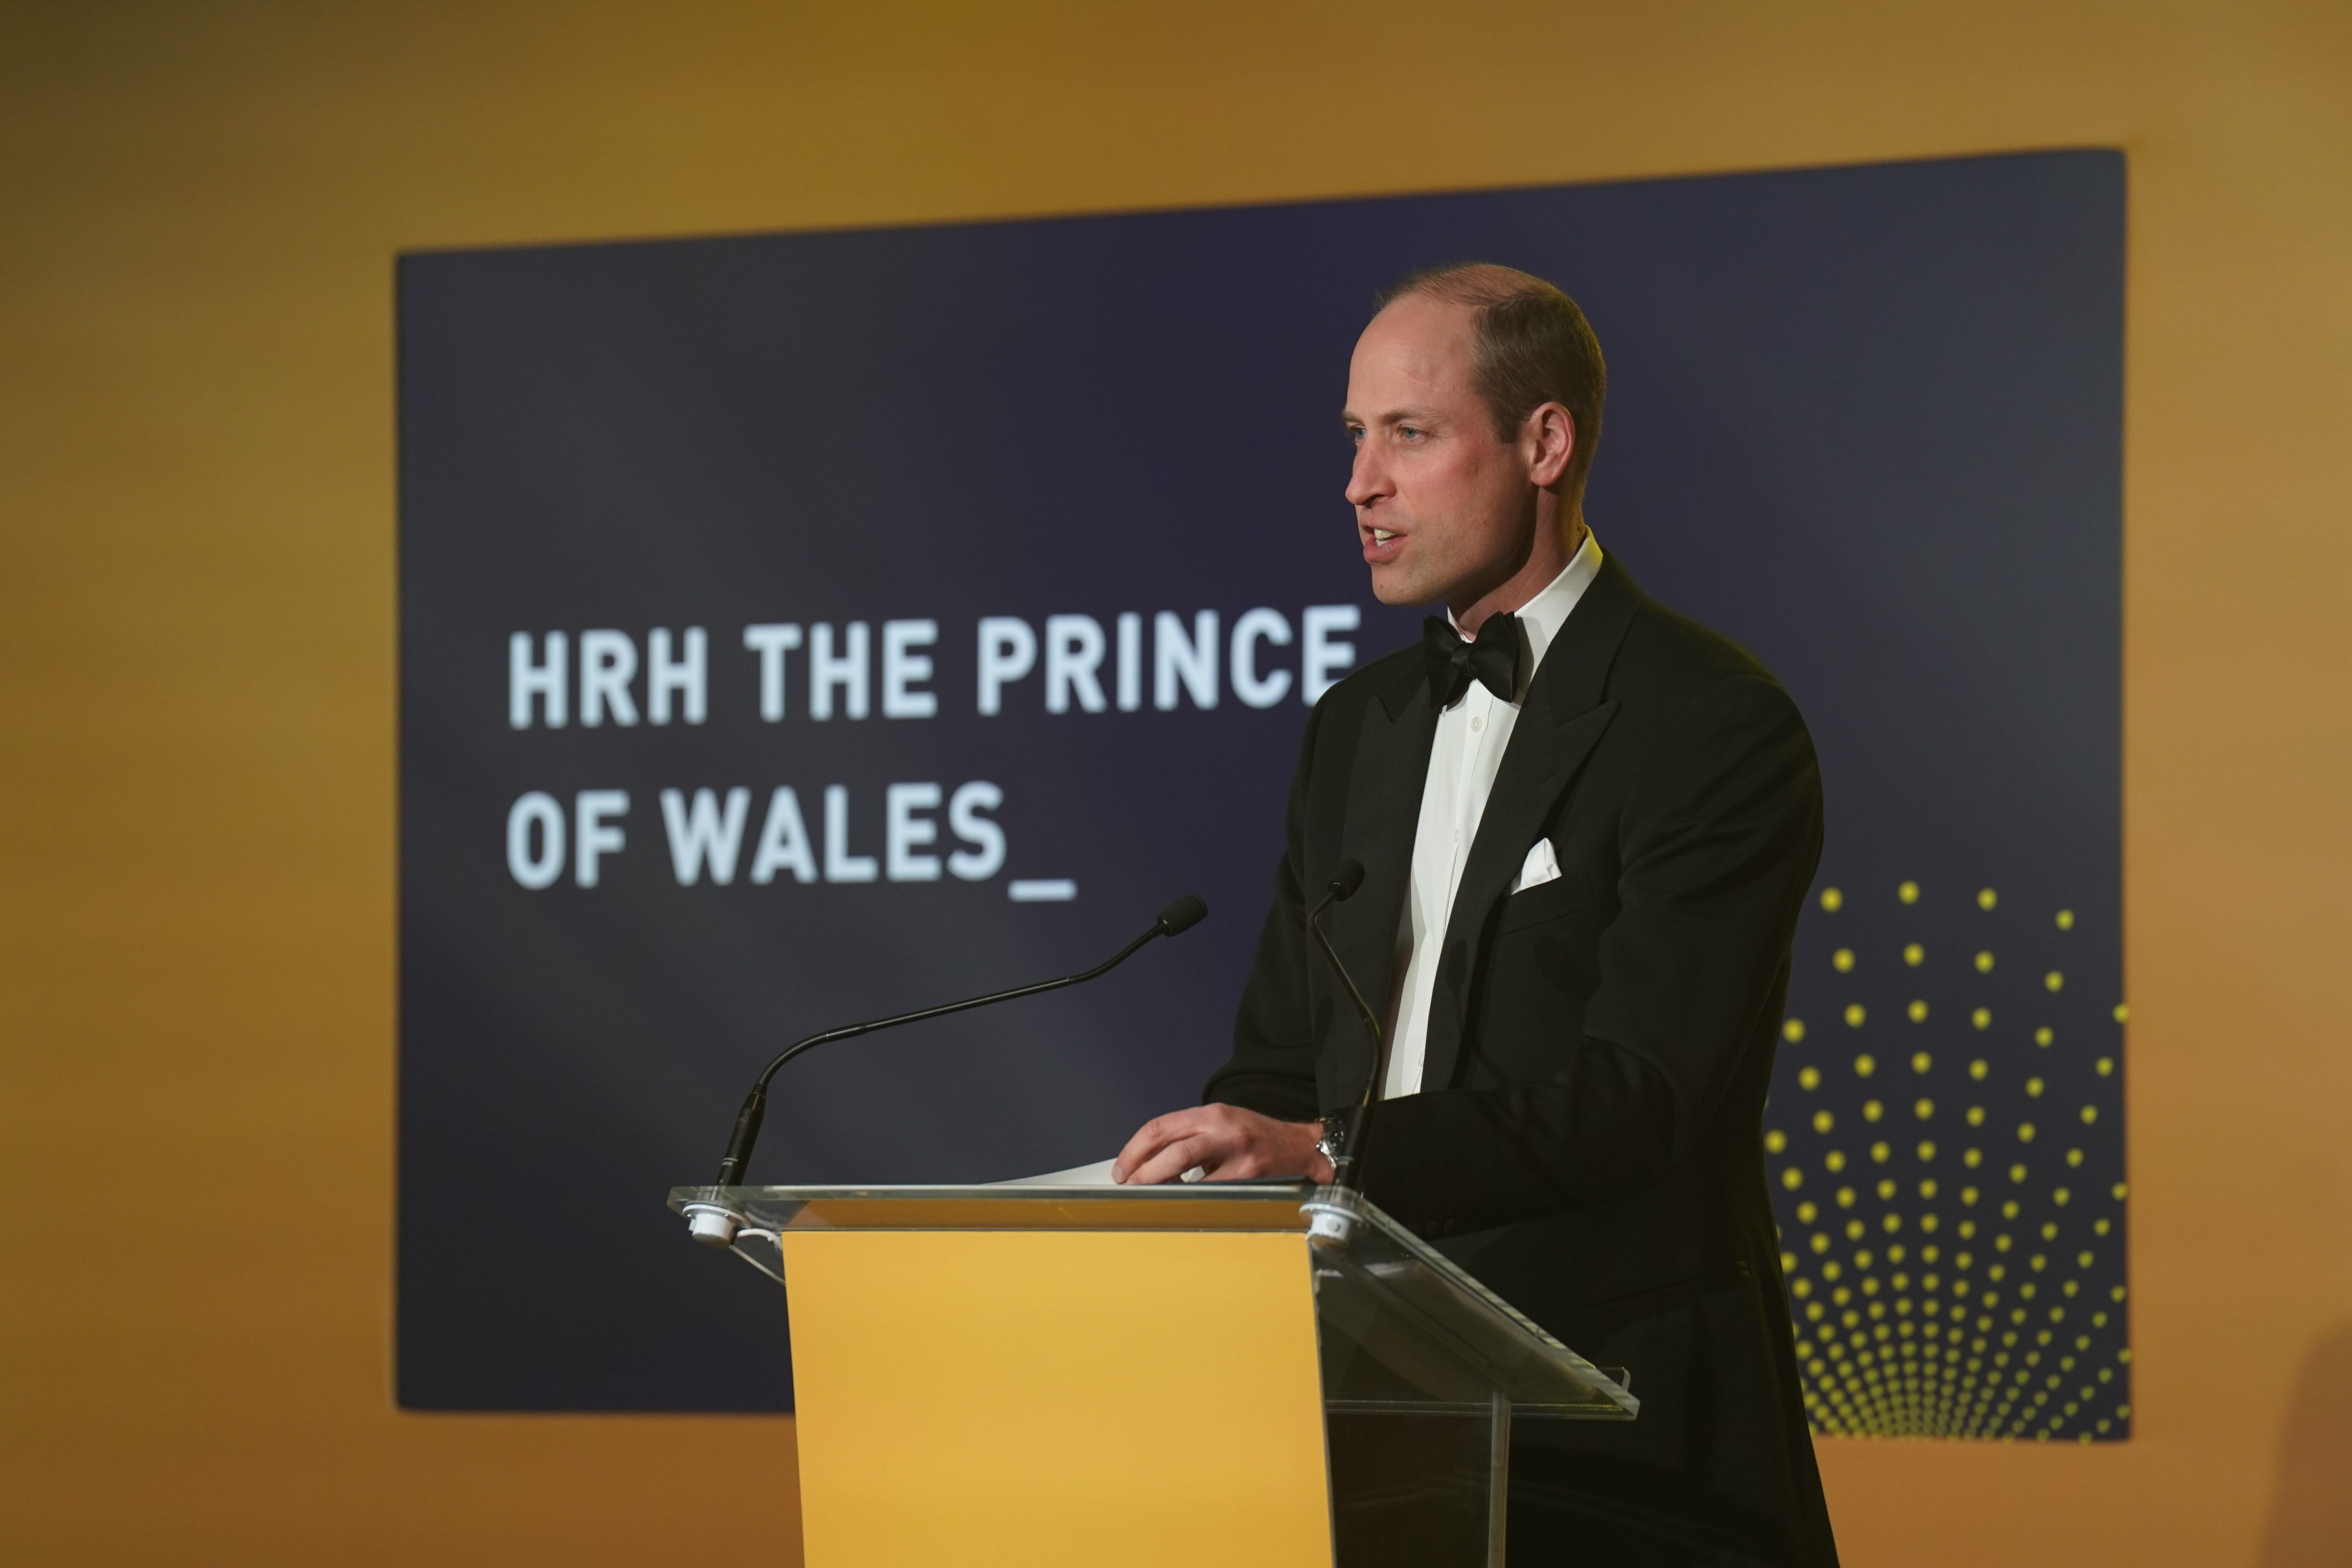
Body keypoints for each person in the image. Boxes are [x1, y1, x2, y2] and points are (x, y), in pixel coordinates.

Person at [1113, 263, 1838, 1566]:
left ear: (1544, 441)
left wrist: (1333, 1153)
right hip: (1361, 1431)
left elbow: (1648, 1094)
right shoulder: (1357, 731)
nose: (1360, 486)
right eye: (1353, 439)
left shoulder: (1708, 725)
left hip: (1617, 1441)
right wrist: (1223, 1163)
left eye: (1411, 434)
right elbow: (1279, 1063)